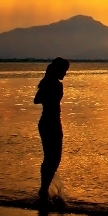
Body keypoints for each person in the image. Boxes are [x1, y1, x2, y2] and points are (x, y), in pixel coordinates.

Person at [34, 57, 69, 205]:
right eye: (64, 71)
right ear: (58, 70)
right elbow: (37, 100)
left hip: (49, 122)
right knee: (52, 158)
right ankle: (43, 190)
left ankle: (44, 189)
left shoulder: (48, 83)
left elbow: (37, 99)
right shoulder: (54, 85)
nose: (65, 74)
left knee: (51, 158)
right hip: (51, 123)